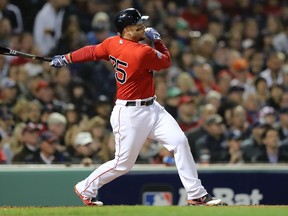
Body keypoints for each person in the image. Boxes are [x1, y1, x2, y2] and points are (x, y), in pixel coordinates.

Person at [50, 8, 225, 206]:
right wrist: (158, 41)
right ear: (127, 30)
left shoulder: (112, 43)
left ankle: (196, 193)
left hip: (152, 107)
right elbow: (166, 61)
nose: (143, 28)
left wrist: (66, 58)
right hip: (130, 113)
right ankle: (85, 187)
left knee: (179, 141)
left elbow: (90, 51)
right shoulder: (141, 52)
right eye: (138, 26)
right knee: (122, 164)